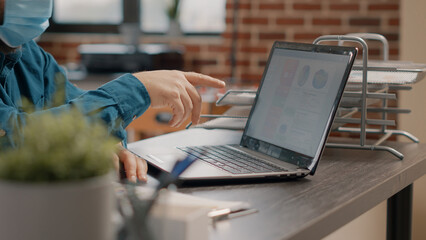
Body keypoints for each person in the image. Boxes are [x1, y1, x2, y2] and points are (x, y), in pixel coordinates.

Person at [0, 0, 225, 182]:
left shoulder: (30, 55)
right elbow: (14, 141)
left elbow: (82, 110)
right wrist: (138, 88)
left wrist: (107, 144)